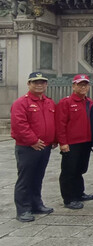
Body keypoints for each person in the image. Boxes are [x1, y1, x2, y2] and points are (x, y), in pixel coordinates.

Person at [11, 72, 56, 222]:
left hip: (45, 146)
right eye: (35, 82)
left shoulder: (49, 102)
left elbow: (53, 122)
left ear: (46, 84)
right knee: (25, 179)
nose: (39, 85)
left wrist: (54, 139)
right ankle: (23, 209)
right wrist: (33, 141)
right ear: (29, 84)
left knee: (38, 177)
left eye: (42, 82)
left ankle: (37, 204)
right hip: (28, 147)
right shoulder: (21, 103)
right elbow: (19, 125)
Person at [56, 74, 93, 210]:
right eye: (80, 84)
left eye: (85, 84)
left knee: (80, 169)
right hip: (71, 143)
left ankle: (79, 193)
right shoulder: (65, 102)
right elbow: (60, 124)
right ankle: (69, 198)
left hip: (86, 142)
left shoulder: (89, 102)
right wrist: (63, 143)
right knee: (69, 171)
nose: (83, 87)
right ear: (74, 86)